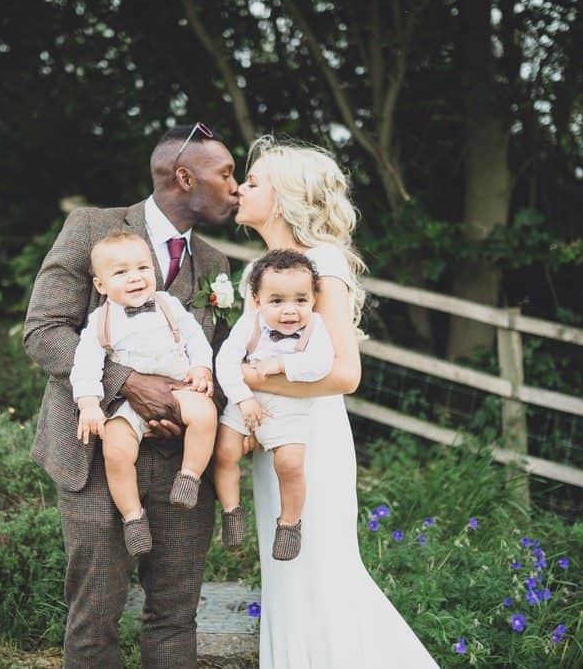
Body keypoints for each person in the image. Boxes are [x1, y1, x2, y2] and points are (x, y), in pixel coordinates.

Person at [23, 123, 237, 668]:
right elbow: (44, 332)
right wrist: (128, 387)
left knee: (174, 616)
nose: (236, 187)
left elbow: (217, 360)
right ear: (185, 177)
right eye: (227, 174)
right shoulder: (90, 228)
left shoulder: (216, 264)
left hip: (181, 465)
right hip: (95, 454)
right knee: (94, 618)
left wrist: (195, 413)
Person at [234, 136, 439, 668]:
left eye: (252, 182)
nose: (238, 188)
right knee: (287, 582)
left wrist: (248, 378)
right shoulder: (267, 268)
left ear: (282, 198)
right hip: (275, 440)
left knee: (321, 576)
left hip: (314, 443)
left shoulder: (321, 262)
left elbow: (345, 373)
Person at [70, 232, 219, 557]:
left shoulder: (169, 304)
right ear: (101, 286)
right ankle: (132, 517)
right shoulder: (101, 321)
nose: (135, 277)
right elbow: (85, 364)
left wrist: (201, 368)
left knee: (206, 414)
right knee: (115, 448)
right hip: (129, 404)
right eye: (120, 272)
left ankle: (189, 476)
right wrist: (90, 403)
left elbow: (195, 338)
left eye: (142, 268)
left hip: (178, 388)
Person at [213, 249, 334, 561]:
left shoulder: (315, 328)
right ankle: (231, 511)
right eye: (277, 301)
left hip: (289, 405)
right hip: (245, 400)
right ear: (257, 300)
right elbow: (225, 362)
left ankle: (289, 523)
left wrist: (280, 363)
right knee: (225, 452)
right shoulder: (249, 324)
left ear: (313, 300)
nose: (289, 311)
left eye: (300, 301)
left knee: (290, 464)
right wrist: (243, 398)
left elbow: (321, 364)